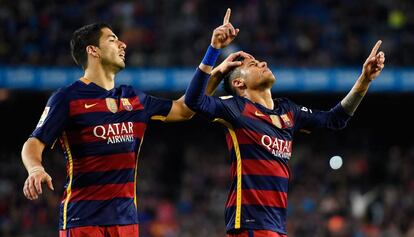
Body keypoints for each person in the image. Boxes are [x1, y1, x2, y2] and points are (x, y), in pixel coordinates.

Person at [184, 9, 386, 237]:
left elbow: (335, 119)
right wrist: (215, 52)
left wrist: (364, 81)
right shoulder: (236, 108)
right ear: (239, 83)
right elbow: (194, 100)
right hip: (249, 227)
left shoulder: (288, 110)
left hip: (277, 228)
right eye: (253, 65)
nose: (263, 63)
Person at [20, 19, 229, 236]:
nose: (123, 45)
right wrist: (35, 168)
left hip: (126, 222)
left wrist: (214, 56)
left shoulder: (133, 98)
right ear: (93, 51)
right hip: (83, 221)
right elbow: (34, 142)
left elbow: (185, 108)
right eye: (112, 40)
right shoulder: (67, 98)